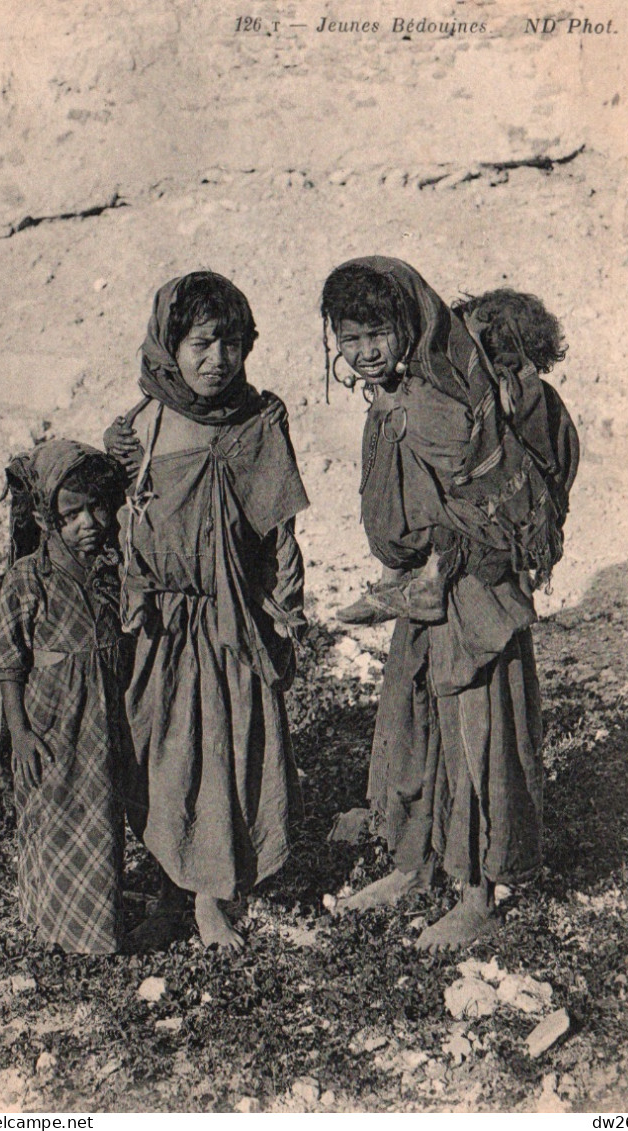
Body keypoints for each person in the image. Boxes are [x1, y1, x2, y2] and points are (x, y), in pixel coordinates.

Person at [320, 258, 579, 951]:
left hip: (477, 602)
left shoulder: (460, 408)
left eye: (378, 332)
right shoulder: (406, 397)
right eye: (350, 337)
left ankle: (475, 892)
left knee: (476, 741)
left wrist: (449, 561)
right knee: (416, 729)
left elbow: (497, 510)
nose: (365, 350)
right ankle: (412, 866)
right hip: (426, 600)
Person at [104, 270, 309, 952]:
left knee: (222, 758)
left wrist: (287, 612)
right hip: (160, 627)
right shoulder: (142, 424)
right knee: (162, 757)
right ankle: (171, 879)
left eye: (230, 344)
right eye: (199, 343)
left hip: (229, 624)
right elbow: (120, 522)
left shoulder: (256, 423)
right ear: (169, 344)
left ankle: (211, 897)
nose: (216, 360)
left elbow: (279, 531)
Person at [0, 440, 132, 955]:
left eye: (97, 507)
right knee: (55, 815)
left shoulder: (113, 567)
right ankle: (58, 926)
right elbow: (6, 662)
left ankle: (100, 929)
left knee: (100, 817)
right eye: (72, 513)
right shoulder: (30, 577)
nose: (89, 522)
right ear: (48, 520)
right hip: (52, 721)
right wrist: (20, 734)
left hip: (103, 716)